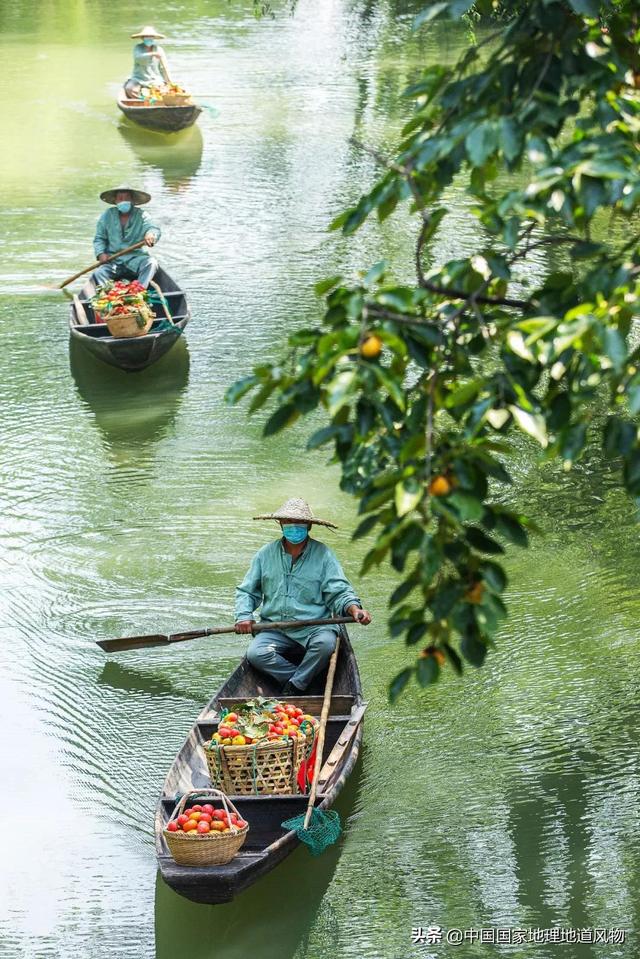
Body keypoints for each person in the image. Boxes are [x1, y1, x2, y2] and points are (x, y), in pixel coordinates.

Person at [235, 498, 372, 695]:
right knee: (256, 654)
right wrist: (244, 616)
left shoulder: (323, 555)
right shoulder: (265, 555)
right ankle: (301, 680)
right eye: (288, 523)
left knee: (326, 644)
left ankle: (295, 686)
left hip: (314, 627)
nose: (293, 528)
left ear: (308, 526)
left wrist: (355, 610)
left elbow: (339, 591)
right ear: (281, 524)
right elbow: (247, 591)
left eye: (299, 524)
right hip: (274, 627)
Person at [92, 186, 160, 289]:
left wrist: (151, 235)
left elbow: (153, 228)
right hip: (114, 260)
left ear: (132, 200)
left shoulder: (142, 215)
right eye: (120, 198)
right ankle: (109, 294)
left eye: (127, 198)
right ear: (115, 201)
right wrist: (101, 253)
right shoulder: (107, 215)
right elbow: (99, 238)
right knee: (98, 274)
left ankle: (139, 291)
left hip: (136, 259)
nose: (124, 201)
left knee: (151, 263)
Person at [124, 26, 173, 99]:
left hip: (154, 79)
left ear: (153, 38)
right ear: (142, 38)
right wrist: (152, 54)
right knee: (129, 89)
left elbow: (163, 67)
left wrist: (169, 82)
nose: (149, 38)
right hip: (138, 78)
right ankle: (141, 100)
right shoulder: (138, 48)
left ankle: (151, 98)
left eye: (151, 37)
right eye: (146, 37)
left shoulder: (159, 49)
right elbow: (138, 58)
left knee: (164, 91)